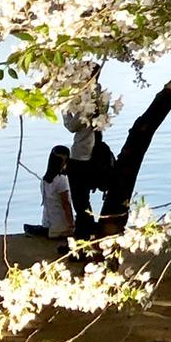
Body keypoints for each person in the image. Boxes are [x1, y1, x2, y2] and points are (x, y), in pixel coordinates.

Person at [61, 96, 102, 242]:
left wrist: (64, 108)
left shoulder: (88, 103)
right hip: (94, 156)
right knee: (84, 199)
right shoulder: (101, 100)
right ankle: (88, 228)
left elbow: (71, 126)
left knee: (79, 200)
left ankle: (83, 235)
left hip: (80, 158)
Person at [22, 145, 75, 250]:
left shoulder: (44, 180)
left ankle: (41, 230)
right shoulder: (62, 180)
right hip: (61, 225)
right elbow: (66, 204)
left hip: (48, 222)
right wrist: (71, 224)